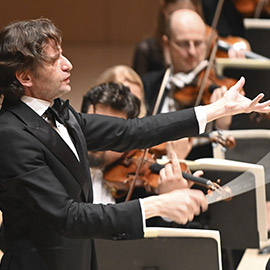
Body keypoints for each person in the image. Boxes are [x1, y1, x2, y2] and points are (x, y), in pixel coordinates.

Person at [0, 18, 269, 270]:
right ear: (25, 78)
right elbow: (69, 217)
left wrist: (216, 109)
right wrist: (158, 205)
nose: (68, 64)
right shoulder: (11, 134)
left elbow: (133, 130)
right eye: (54, 59)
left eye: (63, 54)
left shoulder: (63, 114)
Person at [142, 9, 241, 159]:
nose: (192, 51)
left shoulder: (226, 91)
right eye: (183, 44)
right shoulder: (149, 85)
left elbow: (243, 156)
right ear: (167, 44)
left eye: (198, 43)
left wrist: (222, 126)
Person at [132, 0, 202, 77]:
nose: (192, 51)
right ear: (164, 10)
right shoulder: (146, 49)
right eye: (173, 14)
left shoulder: (209, 43)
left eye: (187, 14)